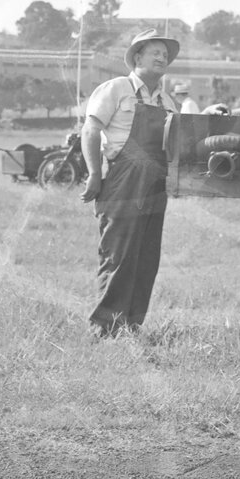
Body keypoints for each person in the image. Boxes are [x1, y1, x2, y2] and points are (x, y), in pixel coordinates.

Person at [80, 31, 180, 335]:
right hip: (121, 182)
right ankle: (103, 328)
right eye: (155, 52)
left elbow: (177, 148)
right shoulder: (115, 89)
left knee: (146, 258)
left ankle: (131, 326)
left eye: (165, 54)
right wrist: (95, 175)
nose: (162, 58)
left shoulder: (168, 101)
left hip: (155, 185)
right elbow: (90, 131)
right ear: (137, 57)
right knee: (118, 254)